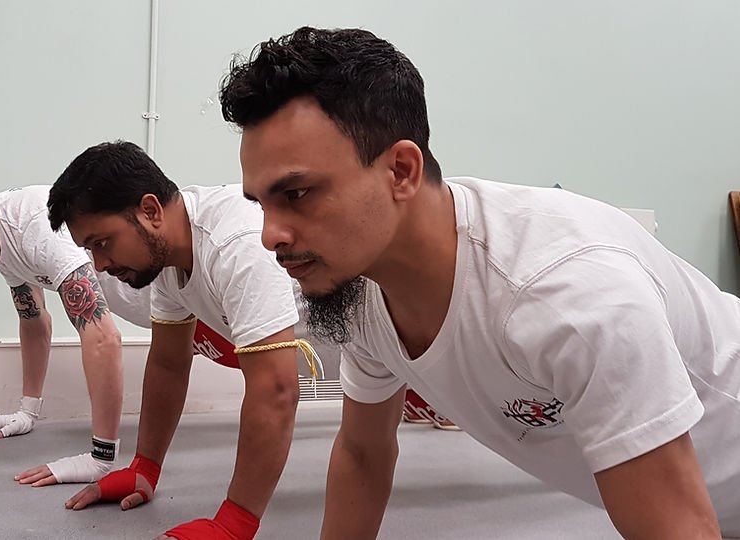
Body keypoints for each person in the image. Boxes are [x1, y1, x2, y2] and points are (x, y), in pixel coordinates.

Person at [220, 26, 740, 539]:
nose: (269, 235)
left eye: (297, 194)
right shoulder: (362, 289)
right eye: (260, 204)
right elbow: (363, 454)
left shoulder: (566, 293)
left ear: (400, 171)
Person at [0, 139, 240, 490]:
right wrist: (28, 410)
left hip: (203, 310)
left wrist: (101, 457)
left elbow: (103, 337)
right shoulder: (0, 246)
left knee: (274, 373)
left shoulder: (30, 224)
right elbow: (34, 321)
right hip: (180, 315)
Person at [48, 140, 334, 540]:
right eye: (89, 249)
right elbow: (169, 361)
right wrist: (144, 468)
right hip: (348, 344)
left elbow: (277, 389)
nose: (98, 264)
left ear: (150, 211)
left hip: (387, 326)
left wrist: (234, 524)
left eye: (102, 242)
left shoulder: (234, 242)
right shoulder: (168, 257)